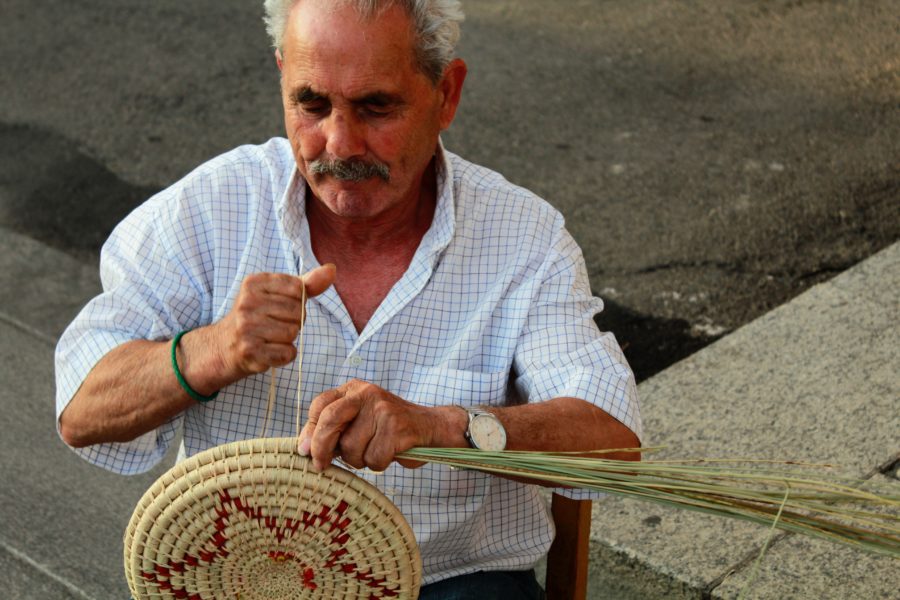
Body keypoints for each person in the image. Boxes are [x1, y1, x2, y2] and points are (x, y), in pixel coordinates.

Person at [55, 0, 642, 597]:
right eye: (311, 103)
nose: (339, 143)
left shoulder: (523, 239)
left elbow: (613, 441)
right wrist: (212, 351)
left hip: (447, 580)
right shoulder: (211, 210)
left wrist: (443, 427)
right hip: (242, 577)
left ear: (447, 94)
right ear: (281, 75)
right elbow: (81, 410)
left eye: (376, 106)